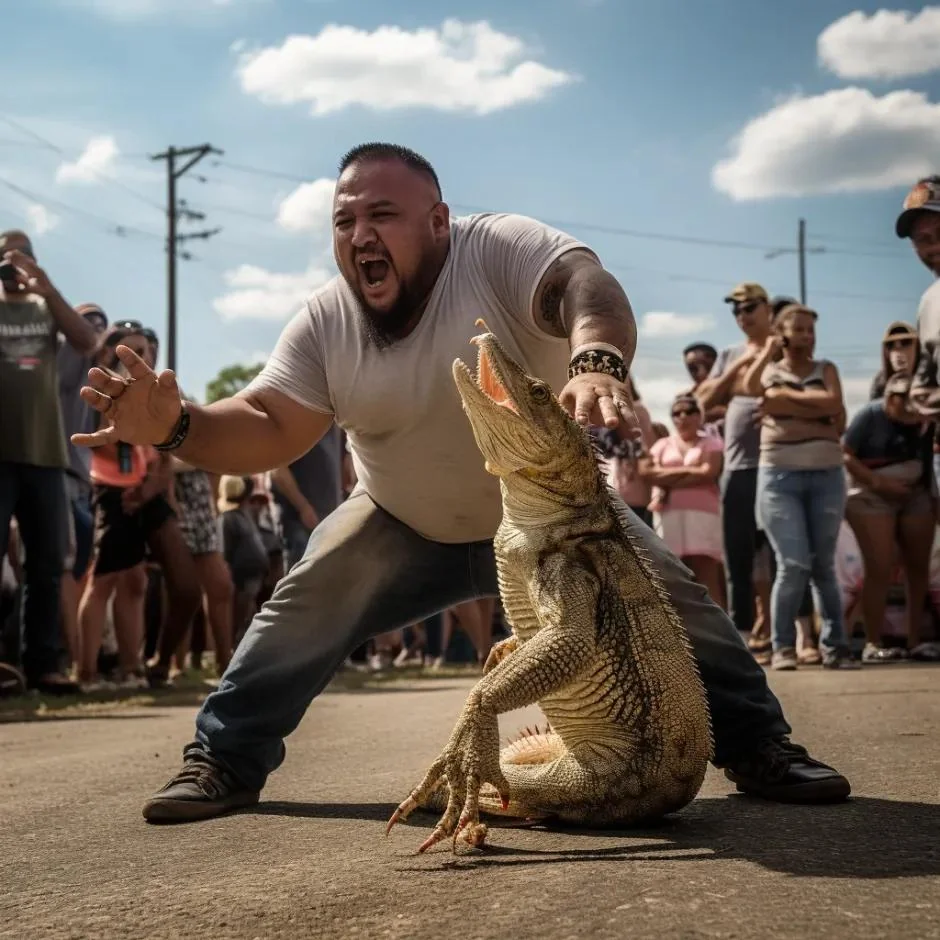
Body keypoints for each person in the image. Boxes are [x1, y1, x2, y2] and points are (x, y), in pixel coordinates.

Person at [72, 143, 851, 822]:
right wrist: (177, 426)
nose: (359, 236)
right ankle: (223, 760)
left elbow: (587, 286)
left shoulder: (499, 249)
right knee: (304, 602)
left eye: (382, 215)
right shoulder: (325, 321)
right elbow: (269, 423)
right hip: (401, 518)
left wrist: (596, 359)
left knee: (675, 598)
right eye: (343, 222)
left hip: (555, 517)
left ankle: (761, 746)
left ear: (439, 221)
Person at [0, 230, 99, 694]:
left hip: (45, 454)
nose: (12, 266)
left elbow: (87, 342)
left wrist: (48, 288)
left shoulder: (46, 310)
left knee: (46, 564)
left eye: (22, 257)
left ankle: (43, 665)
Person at [741, 304, 856, 671]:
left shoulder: (827, 370)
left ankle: (836, 647)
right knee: (792, 563)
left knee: (823, 565)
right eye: (800, 329)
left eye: (811, 330)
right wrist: (815, 412)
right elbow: (749, 386)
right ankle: (783, 648)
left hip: (827, 475)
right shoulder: (769, 370)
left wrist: (783, 403)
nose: (808, 336)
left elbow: (833, 403)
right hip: (779, 478)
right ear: (783, 332)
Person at [696, 284, 775, 646]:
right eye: (736, 311)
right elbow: (703, 399)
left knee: (778, 555)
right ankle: (742, 633)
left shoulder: (783, 345)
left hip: (778, 464)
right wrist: (739, 366)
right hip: (738, 468)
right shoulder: (730, 353)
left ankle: (781, 631)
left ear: (767, 307)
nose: (743, 316)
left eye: (749, 307)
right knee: (738, 555)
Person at [842, 373, 938, 662]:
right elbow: (846, 454)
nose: (902, 404)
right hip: (871, 495)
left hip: (916, 495)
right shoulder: (870, 415)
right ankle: (873, 642)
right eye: (897, 397)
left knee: (918, 567)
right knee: (880, 567)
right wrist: (881, 484)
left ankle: (915, 641)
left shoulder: (929, 420)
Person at [640, 394, 724, 604]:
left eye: (688, 411)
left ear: (699, 416)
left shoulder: (711, 442)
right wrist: (693, 471)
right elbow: (647, 472)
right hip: (668, 513)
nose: (682, 416)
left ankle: (719, 632)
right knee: (673, 574)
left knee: (707, 573)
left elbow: (710, 471)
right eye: (677, 413)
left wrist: (668, 478)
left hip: (703, 513)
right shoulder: (662, 445)